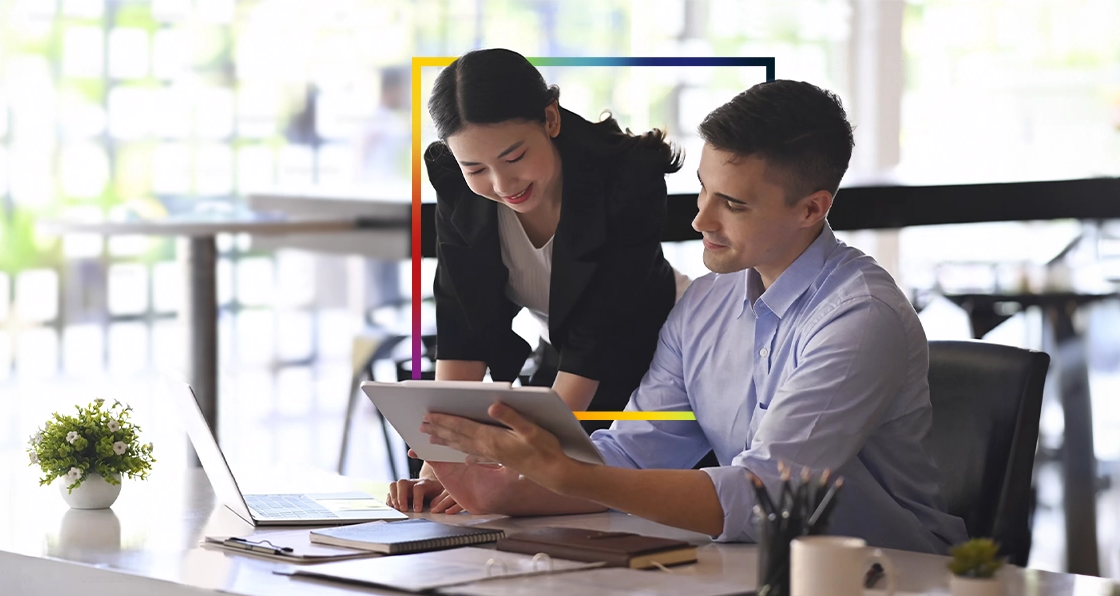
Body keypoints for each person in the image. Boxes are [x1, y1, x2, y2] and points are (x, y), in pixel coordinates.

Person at [403, 79, 969, 554]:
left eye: (734, 204)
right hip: (754, 566)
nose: (700, 221)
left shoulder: (859, 319)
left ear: (811, 209)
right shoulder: (705, 303)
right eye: (702, 190)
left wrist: (561, 472)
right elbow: (632, 456)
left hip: (890, 575)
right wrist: (495, 489)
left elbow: (765, 497)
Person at [388, 48, 690, 514]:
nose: (503, 183)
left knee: (590, 493)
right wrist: (442, 467)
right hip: (565, 347)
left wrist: (502, 476)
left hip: (658, 349)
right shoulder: (456, 184)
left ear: (550, 118)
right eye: (477, 168)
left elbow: (597, 338)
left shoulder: (628, 176)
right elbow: (463, 324)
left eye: (515, 156)